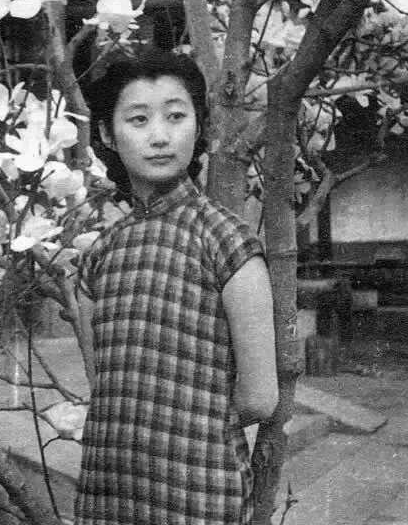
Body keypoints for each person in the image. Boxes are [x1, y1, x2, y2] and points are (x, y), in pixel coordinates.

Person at [75, 48, 278, 525]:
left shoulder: (228, 243)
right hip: (109, 489)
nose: (160, 136)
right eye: (138, 119)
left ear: (199, 125)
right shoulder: (98, 256)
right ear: (107, 133)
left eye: (176, 116)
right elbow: (103, 384)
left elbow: (259, 398)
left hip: (199, 491)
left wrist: (187, 425)